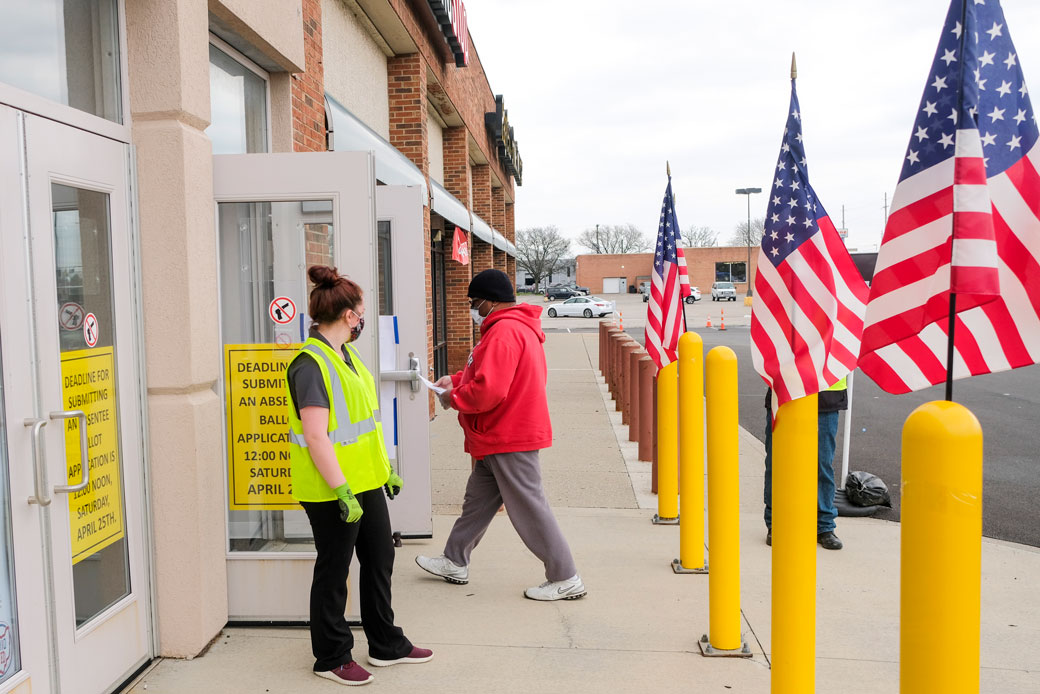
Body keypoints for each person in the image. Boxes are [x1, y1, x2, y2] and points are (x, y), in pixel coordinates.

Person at [286, 265, 432, 686]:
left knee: (380, 558)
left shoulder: (345, 356)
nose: (364, 317)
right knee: (334, 570)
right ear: (350, 316)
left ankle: (386, 643)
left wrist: (385, 469)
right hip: (333, 489)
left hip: (365, 482)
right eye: (362, 310)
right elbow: (316, 436)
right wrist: (341, 490)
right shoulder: (310, 364)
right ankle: (331, 656)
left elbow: (363, 424)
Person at [415, 269, 586, 601]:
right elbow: (484, 373)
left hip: (508, 433)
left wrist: (455, 398)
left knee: (530, 507)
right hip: (501, 433)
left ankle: (565, 576)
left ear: (490, 301)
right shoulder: (512, 328)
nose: (473, 308)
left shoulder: (503, 332)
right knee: (477, 503)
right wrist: (456, 379)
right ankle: (454, 560)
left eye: (475, 302)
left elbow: (490, 389)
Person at [762, 379, 848, 550]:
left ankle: (824, 526)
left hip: (826, 393)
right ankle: (776, 522)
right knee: (778, 461)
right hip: (787, 389)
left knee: (822, 463)